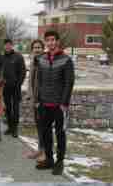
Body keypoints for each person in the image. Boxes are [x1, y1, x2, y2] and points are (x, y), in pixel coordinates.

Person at [35, 30, 75, 175]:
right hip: (44, 104)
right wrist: (38, 99)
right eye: (48, 40)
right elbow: (39, 81)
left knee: (60, 134)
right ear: (45, 42)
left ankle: (60, 162)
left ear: (57, 41)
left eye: (53, 40)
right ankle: (49, 160)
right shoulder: (41, 59)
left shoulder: (66, 60)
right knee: (45, 133)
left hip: (59, 105)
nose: (50, 42)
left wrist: (64, 103)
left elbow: (69, 82)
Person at [2, 39, 27, 138]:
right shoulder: (2, 57)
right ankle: (9, 127)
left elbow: (23, 71)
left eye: (9, 44)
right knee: (7, 108)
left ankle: (15, 129)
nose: (7, 46)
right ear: (4, 46)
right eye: (6, 45)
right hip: (5, 87)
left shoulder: (18, 56)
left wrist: (19, 83)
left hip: (16, 87)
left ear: (12, 45)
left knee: (15, 108)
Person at [27, 39, 47, 162]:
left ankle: (45, 153)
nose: (37, 49)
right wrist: (30, 95)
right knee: (39, 125)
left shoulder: (44, 61)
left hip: (42, 99)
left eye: (39, 47)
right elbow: (31, 80)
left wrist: (40, 98)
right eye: (35, 47)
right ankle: (40, 150)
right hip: (35, 99)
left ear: (43, 49)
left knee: (44, 126)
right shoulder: (33, 61)